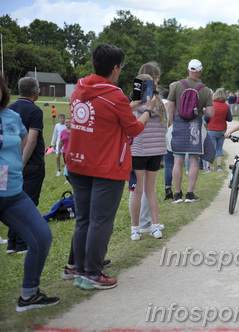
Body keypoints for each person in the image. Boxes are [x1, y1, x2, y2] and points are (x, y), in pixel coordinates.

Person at [66, 43, 155, 290]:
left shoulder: (79, 89)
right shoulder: (114, 95)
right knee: (101, 220)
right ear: (116, 68)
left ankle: (75, 266)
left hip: (78, 162)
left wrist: (132, 107)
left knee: (83, 218)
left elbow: (107, 113)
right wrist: (147, 110)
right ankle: (92, 273)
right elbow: (134, 129)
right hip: (105, 166)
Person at [0, 74, 60, 312]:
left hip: (14, 194)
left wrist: (16, 167)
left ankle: (29, 295)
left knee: (41, 236)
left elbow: (26, 141)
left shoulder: (12, 116)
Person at [166, 59, 214, 203]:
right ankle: (190, 194)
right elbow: (211, 113)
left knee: (177, 161)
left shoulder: (176, 85)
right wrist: (203, 109)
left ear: (188, 70)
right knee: (193, 160)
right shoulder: (204, 89)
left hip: (179, 124)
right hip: (195, 127)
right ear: (200, 71)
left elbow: (170, 107)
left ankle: (177, 194)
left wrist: (173, 122)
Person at [8, 77, 46, 254]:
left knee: (12, 202)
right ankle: (22, 243)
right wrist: (22, 163)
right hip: (31, 164)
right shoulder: (35, 111)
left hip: (9, 163)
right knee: (28, 203)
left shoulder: (9, 109)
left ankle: (12, 243)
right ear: (35, 92)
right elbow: (31, 140)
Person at [129, 73, 167, 241]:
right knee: (150, 190)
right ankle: (155, 226)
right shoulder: (159, 104)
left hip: (139, 151)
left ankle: (135, 229)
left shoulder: (135, 105)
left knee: (137, 191)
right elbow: (166, 127)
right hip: (157, 152)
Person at [206, 88, 232, 172]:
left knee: (211, 148)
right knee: (219, 148)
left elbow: (206, 118)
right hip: (222, 130)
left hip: (212, 129)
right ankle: (219, 167)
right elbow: (230, 119)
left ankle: (208, 167)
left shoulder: (211, 105)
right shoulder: (226, 106)